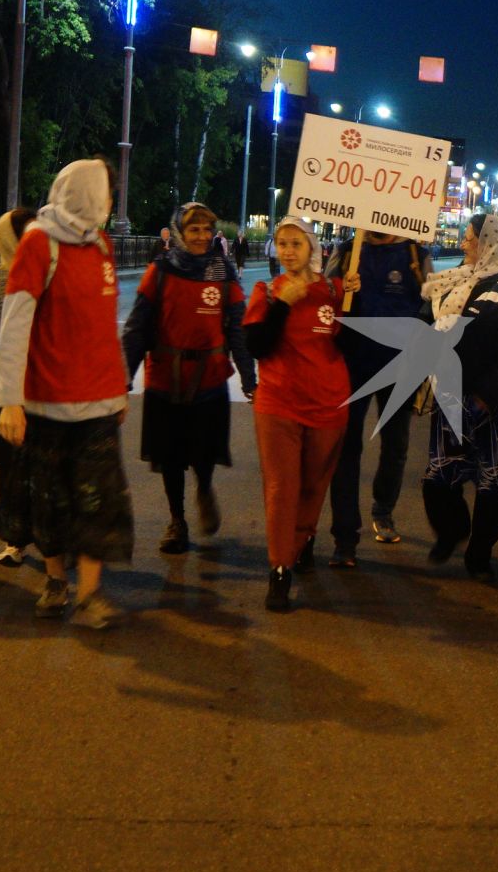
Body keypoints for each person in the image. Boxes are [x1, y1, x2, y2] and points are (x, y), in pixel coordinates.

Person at [0, 158, 136, 630]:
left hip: (97, 402)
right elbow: (14, 327)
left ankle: (90, 594)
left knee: (98, 502)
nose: (110, 202)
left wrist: (118, 390)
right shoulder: (40, 243)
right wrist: (9, 400)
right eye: (107, 193)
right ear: (87, 195)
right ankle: (56, 580)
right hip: (47, 403)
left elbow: (102, 326)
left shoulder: (101, 244)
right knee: (50, 501)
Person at [123, 201, 257, 555]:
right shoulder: (161, 270)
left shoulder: (223, 272)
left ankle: (204, 488)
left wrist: (248, 379)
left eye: (206, 230)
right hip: (165, 379)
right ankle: (177, 520)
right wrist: (123, 376)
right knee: (170, 456)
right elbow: (136, 328)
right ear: (180, 233)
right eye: (193, 229)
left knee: (203, 450)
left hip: (210, 379)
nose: (201, 236)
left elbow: (238, 331)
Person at [420, 213, 498, 582]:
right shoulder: (457, 280)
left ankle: (480, 555)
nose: (463, 244)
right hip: (454, 397)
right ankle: (453, 530)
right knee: (438, 480)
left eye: (470, 238)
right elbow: (425, 322)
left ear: (490, 243)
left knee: (495, 484)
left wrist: (487, 396)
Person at [243, 218, 355, 611]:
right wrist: (283, 305)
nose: (288, 251)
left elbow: (353, 342)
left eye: (296, 243)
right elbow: (257, 345)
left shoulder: (335, 291)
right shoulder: (268, 292)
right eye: (282, 243)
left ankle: (304, 538)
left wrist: (355, 301)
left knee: (313, 485)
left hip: (328, 404)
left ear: (312, 248)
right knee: (281, 487)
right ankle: (279, 569)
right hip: (279, 404)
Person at [325, 226, 433, 564]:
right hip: (351, 366)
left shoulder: (416, 255)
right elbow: (324, 300)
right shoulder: (346, 252)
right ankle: (345, 536)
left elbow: (433, 309)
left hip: (400, 368)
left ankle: (383, 510)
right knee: (346, 449)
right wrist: (343, 288)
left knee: (396, 445)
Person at [0, 207, 37, 568]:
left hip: (47, 383)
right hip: (0, 383)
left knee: (47, 462)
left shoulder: (50, 275)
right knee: (10, 462)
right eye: (25, 232)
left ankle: (52, 535)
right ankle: (14, 539)